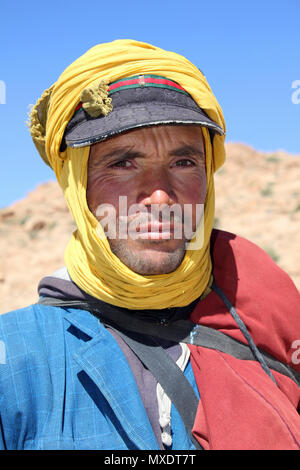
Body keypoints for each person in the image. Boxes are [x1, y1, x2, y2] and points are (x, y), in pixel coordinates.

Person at [0, 39, 300, 451]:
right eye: (122, 163)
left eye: (184, 163)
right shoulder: (16, 360)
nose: (159, 197)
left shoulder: (267, 320)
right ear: (76, 184)